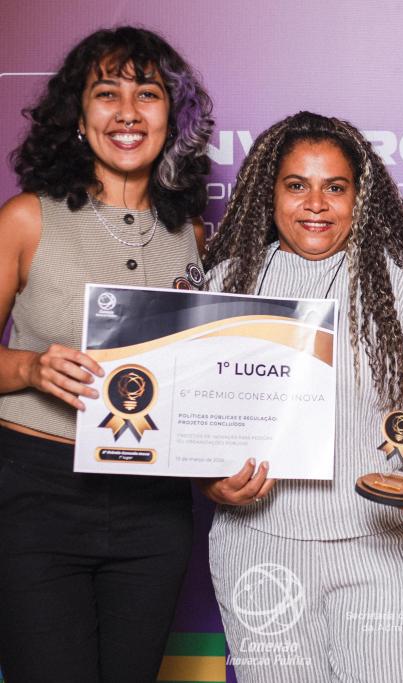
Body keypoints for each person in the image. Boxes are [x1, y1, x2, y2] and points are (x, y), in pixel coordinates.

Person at [199, 111, 403, 683]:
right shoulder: (226, 284)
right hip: (259, 546)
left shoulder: (398, 284)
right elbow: (193, 420)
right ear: (269, 193)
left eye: (335, 187)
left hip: (384, 545)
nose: (316, 204)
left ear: (360, 197)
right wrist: (208, 477)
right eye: (296, 185)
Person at [0, 26, 213, 682]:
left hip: (155, 506)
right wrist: (29, 367)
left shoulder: (193, 235)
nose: (127, 112)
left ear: (172, 118)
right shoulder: (26, 217)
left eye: (147, 94)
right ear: (78, 114)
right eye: (106, 93)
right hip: (38, 494)